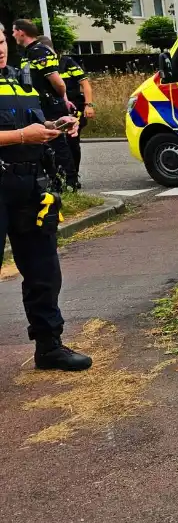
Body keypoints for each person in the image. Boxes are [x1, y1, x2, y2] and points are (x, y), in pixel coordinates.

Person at [0, 25, 92, 371]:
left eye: (1, 41)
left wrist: (55, 124)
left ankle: (49, 346)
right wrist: (23, 134)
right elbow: (20, 132)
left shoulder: (19, 79)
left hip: (29, 185)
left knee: (44, 271)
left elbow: (29, 126)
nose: (0, 49)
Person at [10, 20, 77, 192]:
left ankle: (70, 182)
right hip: (36, 104)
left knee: (58, 144)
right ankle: (53, 181)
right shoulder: (28, 52)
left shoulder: (39, 50)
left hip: (49, 104)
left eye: (13, 31)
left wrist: (59, 98)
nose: (12, 35)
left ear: (21, 32)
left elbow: (58, 82)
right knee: (44, 145)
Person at [38, 36, 94, 189]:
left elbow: (85, 84)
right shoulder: (39, 65)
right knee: (52, 145)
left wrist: (89, 105)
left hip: (72, 109)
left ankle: (73, 175)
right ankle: (58, 176)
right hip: (50, 109)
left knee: (72, 144)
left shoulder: (66, 62)